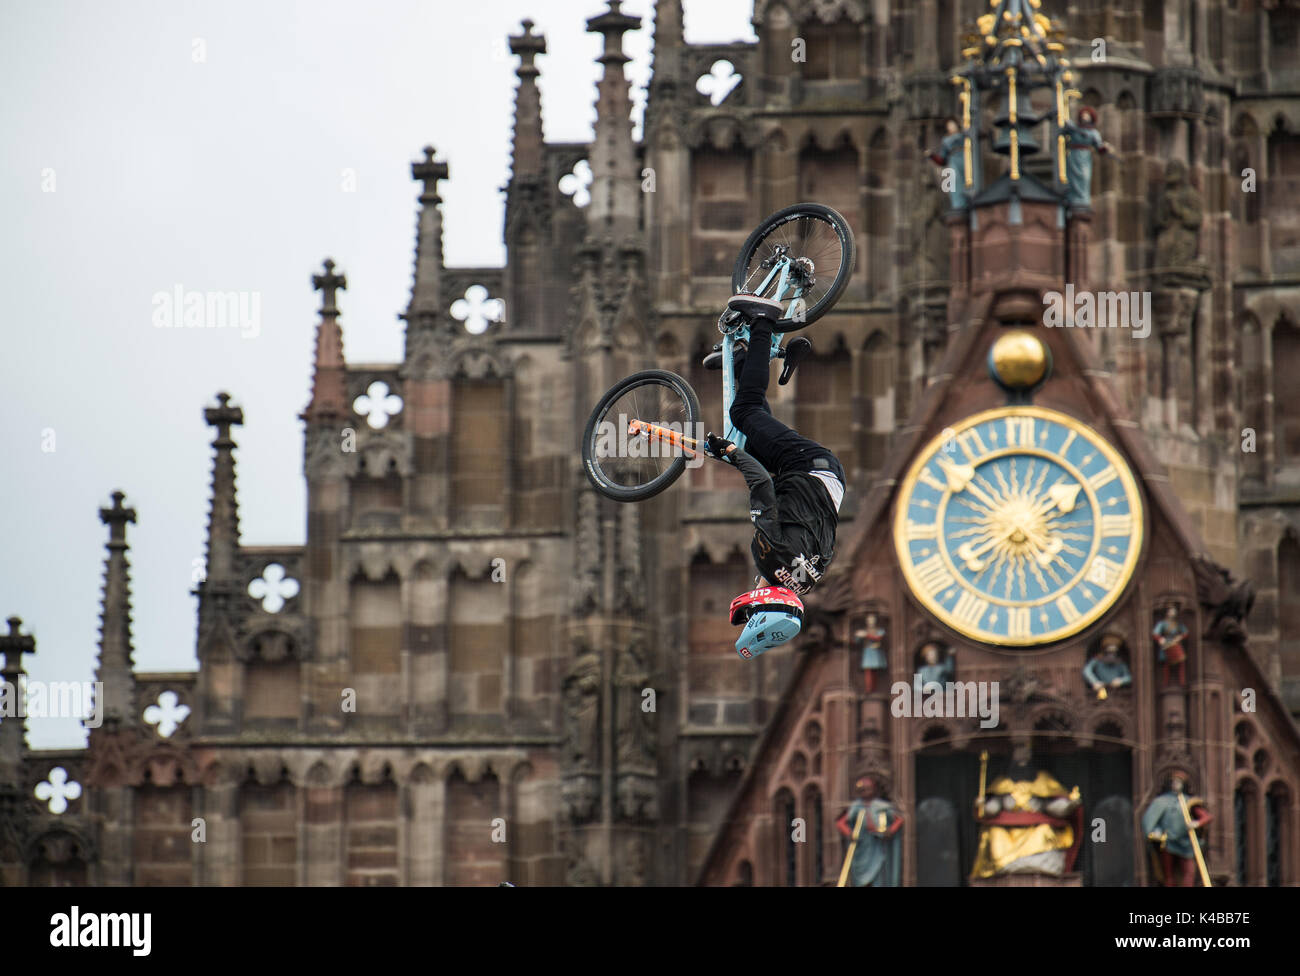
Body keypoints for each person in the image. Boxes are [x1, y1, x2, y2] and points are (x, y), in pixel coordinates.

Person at [703, 294, 845, 603]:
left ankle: (742, 364)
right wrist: (728, 452)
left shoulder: (804, 583)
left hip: (821, 478)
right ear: (762, 595)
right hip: (805, 467)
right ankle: (763, 320)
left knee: (753, 438)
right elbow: (760, 482)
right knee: (744, 412)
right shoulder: (769, 556)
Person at [1142, 770, 1212, 887]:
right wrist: (1156, 832)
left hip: (1186, 842)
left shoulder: (1188, 801)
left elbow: (1207, 816)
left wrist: (1197, 823)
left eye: (1178, 782)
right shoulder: (1162, 801)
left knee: (1189, 871)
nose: (1176, 784)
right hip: (1169, 841)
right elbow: (1150, 822)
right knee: (1168, 874)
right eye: (1174, 782)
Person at [835, 775, 903, 887]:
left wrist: (890, 831)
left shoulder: (882, 806)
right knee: (860, 880)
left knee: (878, 875)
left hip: (877, 845)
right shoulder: (856, 806)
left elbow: (899, 819)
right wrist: (849, 833)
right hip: (861, 845)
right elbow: (841, 822)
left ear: (874, 789)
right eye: (862, 790)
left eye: (867, 789)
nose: (865, 792)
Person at [1083, 633, 1132, 700]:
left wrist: (1121, 681)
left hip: (1117, 693)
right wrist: (1095, 682)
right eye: (1109, 652)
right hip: (1100, 691)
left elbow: (1129, 677)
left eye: (1113, 653)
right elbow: (1087, 671)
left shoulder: (1120, 663)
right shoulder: (1098, 660)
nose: (1111, 656)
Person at [1153, 604, 1188, 687]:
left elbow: (1186, 632)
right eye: (1172, 611)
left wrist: (1180, 637)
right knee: (1167, 663)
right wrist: (1160, 639)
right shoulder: (1162, 623)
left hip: (1175, 643)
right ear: (1167, 613)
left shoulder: (1178, 624)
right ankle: (1165, 682)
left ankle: (1182, 681)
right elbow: (1155, 634)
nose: (1174, 613)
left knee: (1181, 661)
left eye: (1174, 611)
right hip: (1167, 644)